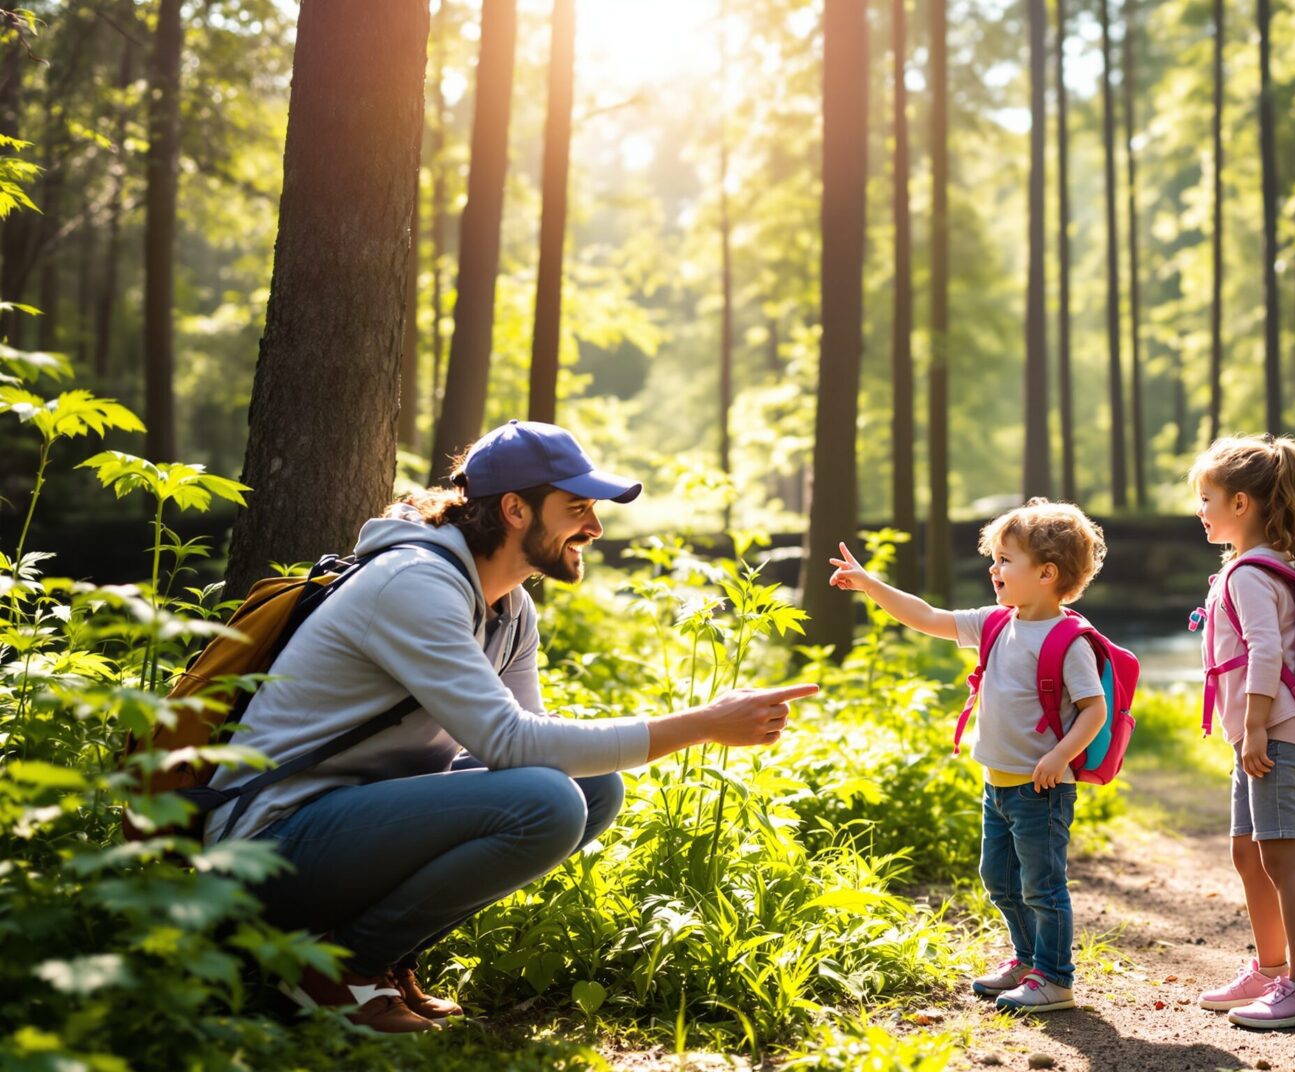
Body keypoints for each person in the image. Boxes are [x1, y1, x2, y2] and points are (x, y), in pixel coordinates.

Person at [205, 420, 817, 1033]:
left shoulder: (510, 607)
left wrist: (699, 722)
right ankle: (337, 968)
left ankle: (369, 955)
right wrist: (704, 723)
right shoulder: (414, 583)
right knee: (547, 801)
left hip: (349, 826)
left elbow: (529, 742)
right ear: (516, 509)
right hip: (269, 847)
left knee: (591, 788)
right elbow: (511, 744)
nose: (595, 528)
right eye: (577, 508)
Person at [826, 500, 1109, 1014]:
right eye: (994, 558)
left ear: (1046, 573)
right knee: (998, 878)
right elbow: (926, 616)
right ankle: (1027, 960)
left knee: (1043, 886)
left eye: (1005, 560)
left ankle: (1055, 977)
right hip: (996, 784)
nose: (993, 569)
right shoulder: (994, 623)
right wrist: (871, 584)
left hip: (1042, 789)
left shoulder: (1070, 643)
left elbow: (1094, 710)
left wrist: (1061, 755)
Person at [1185, 435, 1295, 1030]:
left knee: (1281, 860)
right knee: (1248, 854)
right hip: (1260, 737)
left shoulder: (1250, 573)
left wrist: (1252, 728)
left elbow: (1265, 651)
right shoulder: (1260, 567)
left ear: (1242, 504)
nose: (1201, 510)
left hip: (1272, 735)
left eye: (1207, 498)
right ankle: (1272, 969)